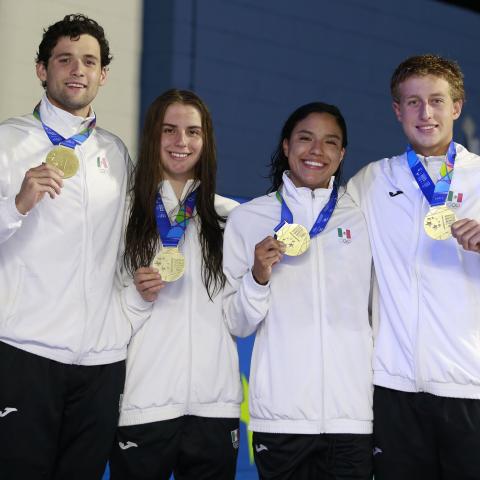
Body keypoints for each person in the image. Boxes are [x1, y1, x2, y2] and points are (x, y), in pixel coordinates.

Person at [0, 14, 131, 480]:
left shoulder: (116, 153)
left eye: (89, 62)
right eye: (65, 59)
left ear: (103, 76)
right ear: (42, 69)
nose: (77, 69)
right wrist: (17, 204)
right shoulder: (8, 141)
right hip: (25, 352)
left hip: (100, 361)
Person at [223, 102, 373, 480]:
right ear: (286, 146)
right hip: (281, 416)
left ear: (341, 155)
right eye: (305, 139)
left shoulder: (362, 218)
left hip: (351, 417)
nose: (316, 151)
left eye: (329, 142)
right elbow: (237, 323)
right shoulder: (248, 219)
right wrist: (257, 276)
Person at [348, 54, 480, 480]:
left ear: (457, 107)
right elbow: (320, 229)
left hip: (469, 387)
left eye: (437, 101)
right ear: (397, 110)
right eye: (413, 102)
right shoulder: (372, 182)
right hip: (394, 389)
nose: (426, 113)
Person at [109, 89, 242, 480]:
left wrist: (259, 281)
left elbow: (240, 318)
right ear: (153, 136)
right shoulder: (125, 214)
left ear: (207, 140)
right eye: (170, 130)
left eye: (192, 132)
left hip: (215, 410)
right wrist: (137, 295)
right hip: (143, 405)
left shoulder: (229, 218)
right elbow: (105, 317)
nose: (181, 142)